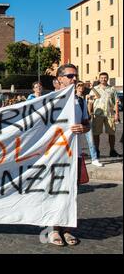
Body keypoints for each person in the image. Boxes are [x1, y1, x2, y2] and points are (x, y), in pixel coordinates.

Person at [46, 64, 89, 247]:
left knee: (72, 193)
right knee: (54, 191)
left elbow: (87, 123)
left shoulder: (80, 101)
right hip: (54, 156)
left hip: (74, 155)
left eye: (75, 76)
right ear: (60, 79)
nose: (74, 79)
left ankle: (68, 229)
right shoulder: (49, 101)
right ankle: (53, 229)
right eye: (70, 76)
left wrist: (84, 128)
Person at [89, 72, 121, 158]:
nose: (103, 79)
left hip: (109, 114)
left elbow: (116, 102)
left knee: (112, 133)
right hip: (97, 114)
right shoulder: (94, 89)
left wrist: (117, 114)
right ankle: (97, 151)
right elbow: (90, 102)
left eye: (105, 77)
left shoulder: (112, 89)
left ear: (108, 78)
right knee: (96, 133)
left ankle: (112, 150)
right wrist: (90, 113)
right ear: (99, 79)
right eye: (102, 78)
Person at [76, 82, 103, 167]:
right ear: (76, 87)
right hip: (76, 121)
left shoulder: (86, 97)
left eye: (82, 86)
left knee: (91, 141)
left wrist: (92, 88)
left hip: (86, 120)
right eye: (79, 86)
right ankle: (76, 158)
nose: (81, 87)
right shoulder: (72, 97)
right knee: (76, 141)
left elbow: (98, 96)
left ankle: (94, 159)